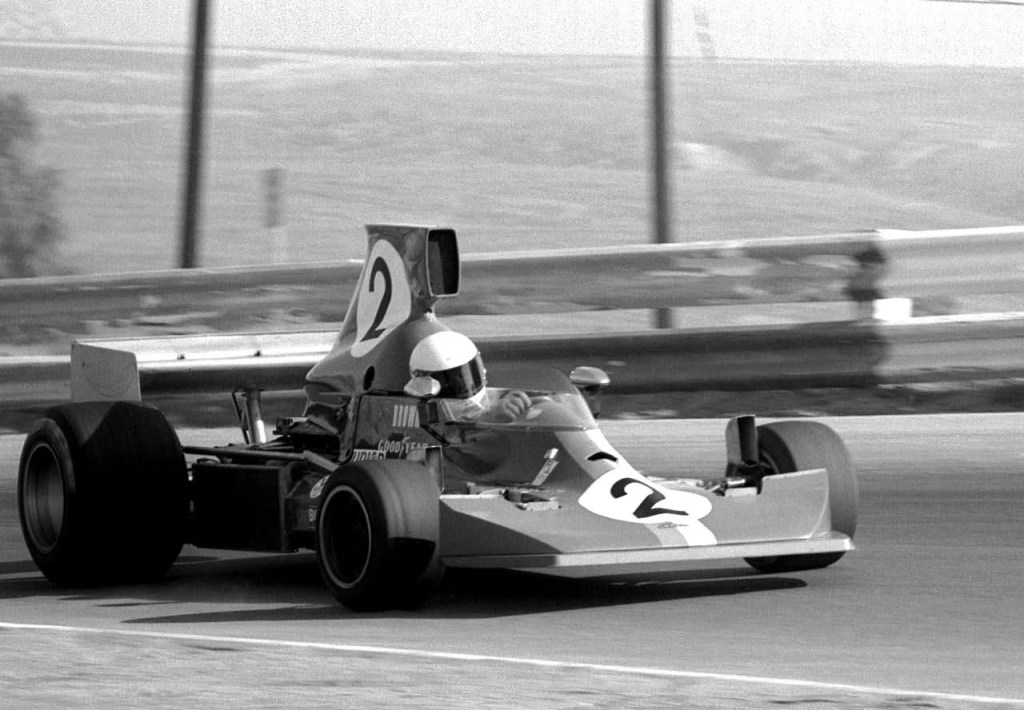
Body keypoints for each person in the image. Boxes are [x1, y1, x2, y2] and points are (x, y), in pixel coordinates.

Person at [407, 330, 530, 423]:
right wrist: (487, 418)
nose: (461, 384)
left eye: (469, 374)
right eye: (450, 382)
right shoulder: (414, 418)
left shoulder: (498, 399)